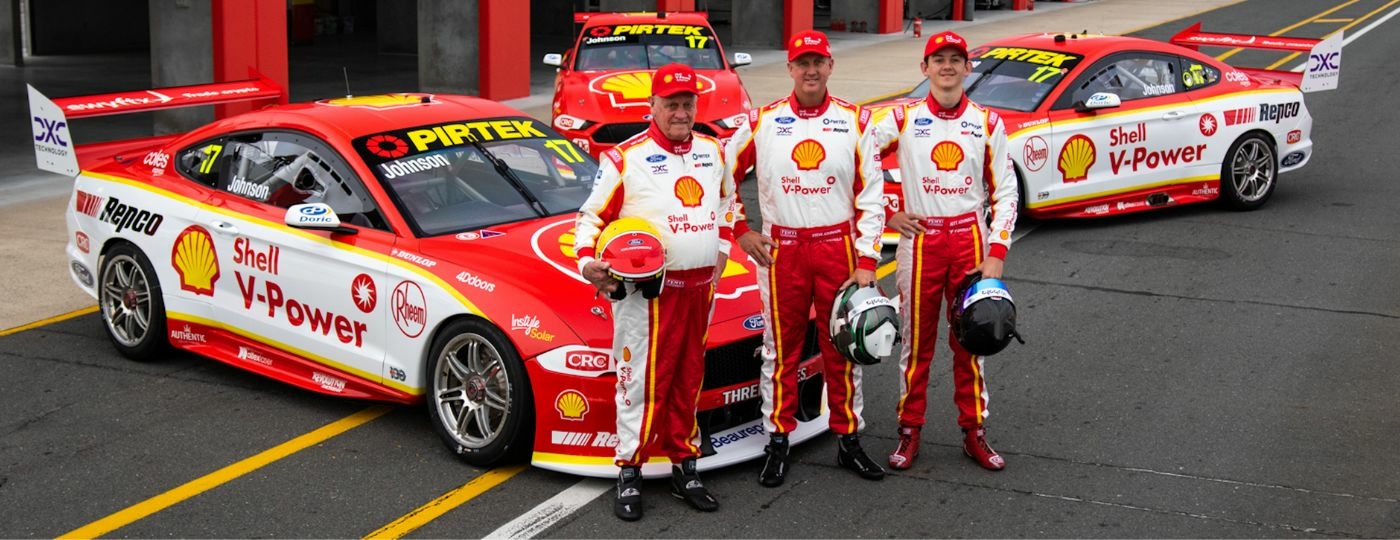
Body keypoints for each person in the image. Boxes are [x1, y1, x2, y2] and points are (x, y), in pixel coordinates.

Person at [724, 29, 887, 487]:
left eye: (819, 62)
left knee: (844, 349)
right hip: (782, 251)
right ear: (790, 68)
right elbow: (721, 170)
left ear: (830, 66)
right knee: (780, 352)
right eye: (803, 63)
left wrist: (868, 259)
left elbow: (872, 197)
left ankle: (849, 440)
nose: (811, 70)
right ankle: (777, 441)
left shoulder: (855, 120)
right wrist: (740, 230)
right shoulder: (763, 121)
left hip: (838, 246)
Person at [573, 63, 735, 522]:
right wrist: (589, 264)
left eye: (688, 104)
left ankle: (686, 466)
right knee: (640, 383)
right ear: (653, 106)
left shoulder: (712, 150)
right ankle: (630, 470)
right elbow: (589, 220)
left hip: (700, 289)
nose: (681, 113)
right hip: (647, 294)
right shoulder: (626, 158)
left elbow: (728, 204)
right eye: (671, 105)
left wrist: (722, 248)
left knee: (689, 379)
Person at [868, 31, 1018, 472]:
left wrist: (997, 254)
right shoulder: (903, 118)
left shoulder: (988, 123)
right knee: (916, 345)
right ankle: (909, 430)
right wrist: (889, 212)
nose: (947, 66)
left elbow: (1006, 192)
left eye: (956, 59)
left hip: (970, 242)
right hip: (920, 241)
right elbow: (858, 162)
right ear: (925, 68)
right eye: (939, 59)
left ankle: (974, 432)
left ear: (968, 68)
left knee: (973, 341)